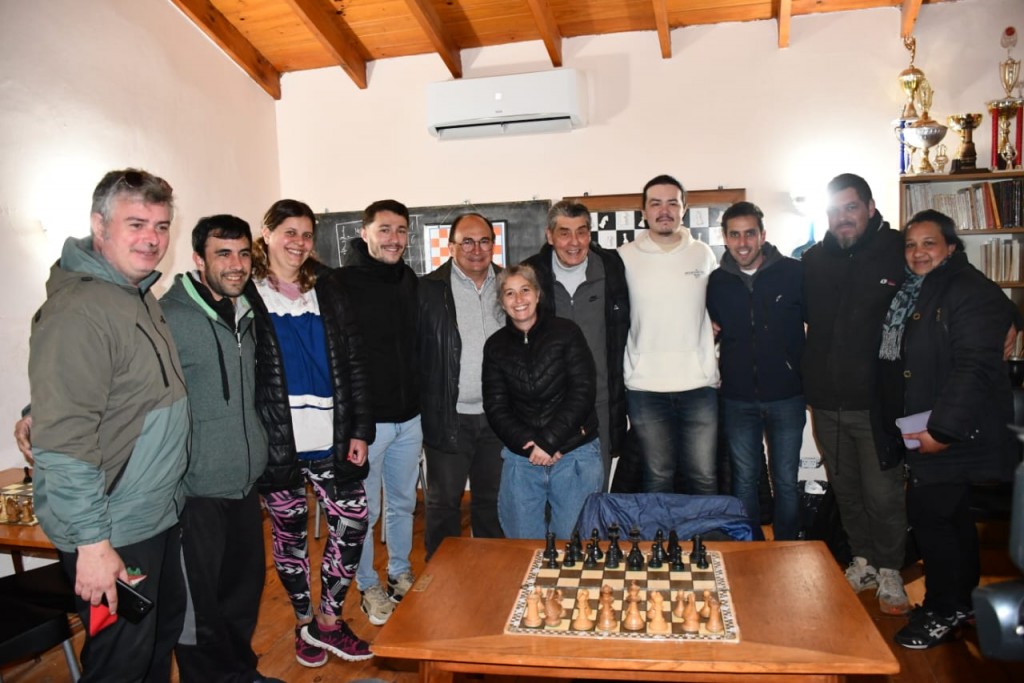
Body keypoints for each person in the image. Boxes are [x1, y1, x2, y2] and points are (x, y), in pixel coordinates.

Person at [28, 168, 188, 681]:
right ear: (99, 226)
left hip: (151, 518)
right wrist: (93, 546)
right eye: (136, 223)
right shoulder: (80, 311)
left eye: (161, 226)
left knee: (155, 643)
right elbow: (67, 443)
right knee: (120, 661)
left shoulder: (136, 295)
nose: (152, 238)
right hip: (112, 531)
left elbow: (109, 398)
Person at [875, 210, 1016, 649]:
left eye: (929, 243)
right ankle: (964, 602)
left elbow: (973, 368)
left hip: (951, 434)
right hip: (932, 426)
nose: (918, 252)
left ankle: (942, 609)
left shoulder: (967, 289)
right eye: (911, 244)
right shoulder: (921, 289)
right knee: (951, 520)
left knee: (933, 520)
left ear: (951, 247)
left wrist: (943, 430)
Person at [250, 198, 375, 665]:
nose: (299, 243)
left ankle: (329, 619)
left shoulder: (330, 288)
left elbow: (355, 364)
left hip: (331, 435)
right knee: (289, 537)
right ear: (267, 233)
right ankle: (305, 626)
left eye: (306, 235)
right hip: (277, 440)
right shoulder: (246, 292)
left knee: (354, 520)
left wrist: (360, 429)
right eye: (290, 233)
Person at [161, 215, 279, 682]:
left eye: (244, 253)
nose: (236, 264)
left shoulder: (246, 310)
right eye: (223, 254)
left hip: (244, 483)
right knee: (199, 609)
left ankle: (240, 673)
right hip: (195, 490)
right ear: (197, 260)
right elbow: (119, 378)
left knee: (242, 593)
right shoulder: (168, 317)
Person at [802, 173, 910, 615]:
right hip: (826, 400)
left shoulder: (900, 250)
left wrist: (1004, 313)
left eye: (850, 208)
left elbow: (952, 278)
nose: (842, 218)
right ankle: (863, 561)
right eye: (834, 211)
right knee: (845, 488)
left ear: (869, 207)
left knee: (883, 493)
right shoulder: (811, 260)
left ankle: (891, 571)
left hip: (879, 401)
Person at [334, 199, 421, 626]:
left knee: (404, 503)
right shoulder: (339, 283)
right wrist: (352, 422)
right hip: (367, 425)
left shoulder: (408, 279)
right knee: (365, 510)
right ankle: (367, 583)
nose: (394, 238)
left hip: (410, 418)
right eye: (384, 229)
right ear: (365, 232)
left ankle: (399, 572)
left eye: (401, 230)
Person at [706, 201, 806, 540]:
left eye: (750, 233)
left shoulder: (794, 273)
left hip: (787, 396)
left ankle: (788, 548)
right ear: (725, 239)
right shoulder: (716, 282)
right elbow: (704, 324)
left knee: (786, 482)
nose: (743, 242)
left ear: (763, 235)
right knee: (745, 480)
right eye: (735, 235)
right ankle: (752, 550)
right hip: (737, 398)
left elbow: (820, 325)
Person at [482, 264, 603, 540]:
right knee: (523, 545)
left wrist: (550, 442)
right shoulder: (495, 346)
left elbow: (582, 392)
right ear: (502, 302)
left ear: (537, 294)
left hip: (574, 452)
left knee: (574, 541)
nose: (519, 299)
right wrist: (533, 445)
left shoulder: (567, 332)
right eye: (510, 293)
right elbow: (496, 406)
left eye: (525, 290)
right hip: (522, 455)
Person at [619, 174, 719, 494]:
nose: (665, 210)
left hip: (699, 385)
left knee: (703, 477)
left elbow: (719, 308)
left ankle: (703, 546)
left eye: (672, 203)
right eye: (656, 203)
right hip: (645, 387)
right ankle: (659, 547)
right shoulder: (623, 257)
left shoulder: (703, 254)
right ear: (643, 212)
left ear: (684, 209)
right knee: (658, 476)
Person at [523, 200, 630, 489]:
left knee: (594, 490)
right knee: (548, 491)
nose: (574, 242)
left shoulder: (612, 268)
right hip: (547, 406)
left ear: (590, 235)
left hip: (601, 402)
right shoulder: (530, 274)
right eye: (564, 233)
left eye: (581, 232)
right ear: (549, 236)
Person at [419, 212, 505, 559]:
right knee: (443, 504)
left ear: (493, 245)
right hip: (449, 416)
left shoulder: (511, 284)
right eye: (466, 241)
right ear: (451, 246)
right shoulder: (427, 290)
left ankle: (491, 576)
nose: (476, 249)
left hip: (499, 418)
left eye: (484, 240)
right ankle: (440, 581)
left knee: (493, 501)